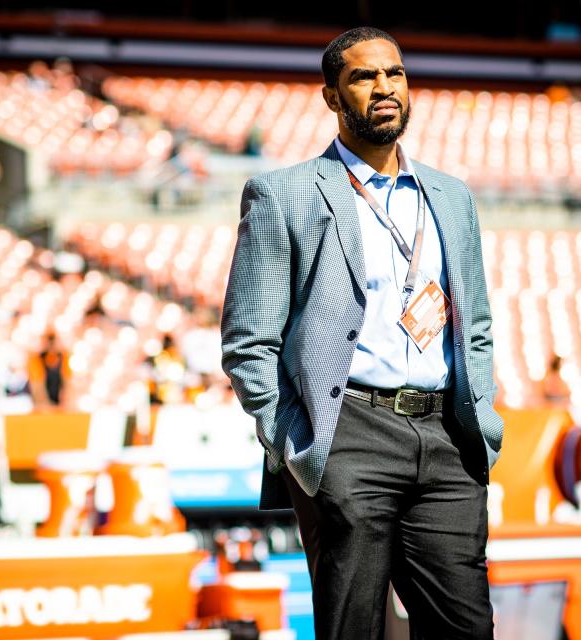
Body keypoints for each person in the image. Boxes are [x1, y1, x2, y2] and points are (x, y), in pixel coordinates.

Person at [220, 27, 502, 639]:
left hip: (445, 438)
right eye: (364, 76)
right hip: (348, 433)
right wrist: (298, 441)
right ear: (332, 97)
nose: (384, 87)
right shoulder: (283, 194)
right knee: (353, 630)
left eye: (394, 74)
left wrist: (484, 418)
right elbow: (247, 342)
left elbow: (474, 323)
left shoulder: (451, 197)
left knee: (468, 629)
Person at [27, 332, 70, 407]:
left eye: (53, 340)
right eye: (49, 340)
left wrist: (64, 398)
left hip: (61, 403)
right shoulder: (36, 359)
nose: (51, 344)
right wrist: (44, 403)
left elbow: (67, 381)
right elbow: (37, 385)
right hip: (42, 403)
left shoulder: (64, 357)